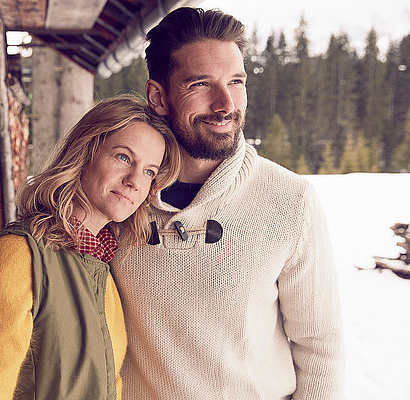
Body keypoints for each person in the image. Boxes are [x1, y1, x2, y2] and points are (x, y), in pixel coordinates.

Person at [108, 7, 345, 399]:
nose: (225, 104)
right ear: (158, 96)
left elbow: (321, 348)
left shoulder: (290, 200)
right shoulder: (120, 197)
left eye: (236, 82)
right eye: (200, 84)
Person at [0, 95, 180, 400]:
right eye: (124, 157)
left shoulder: (105, 276)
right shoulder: (17, 256)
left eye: (149, 171)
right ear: (85, 153)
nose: (135, 181)